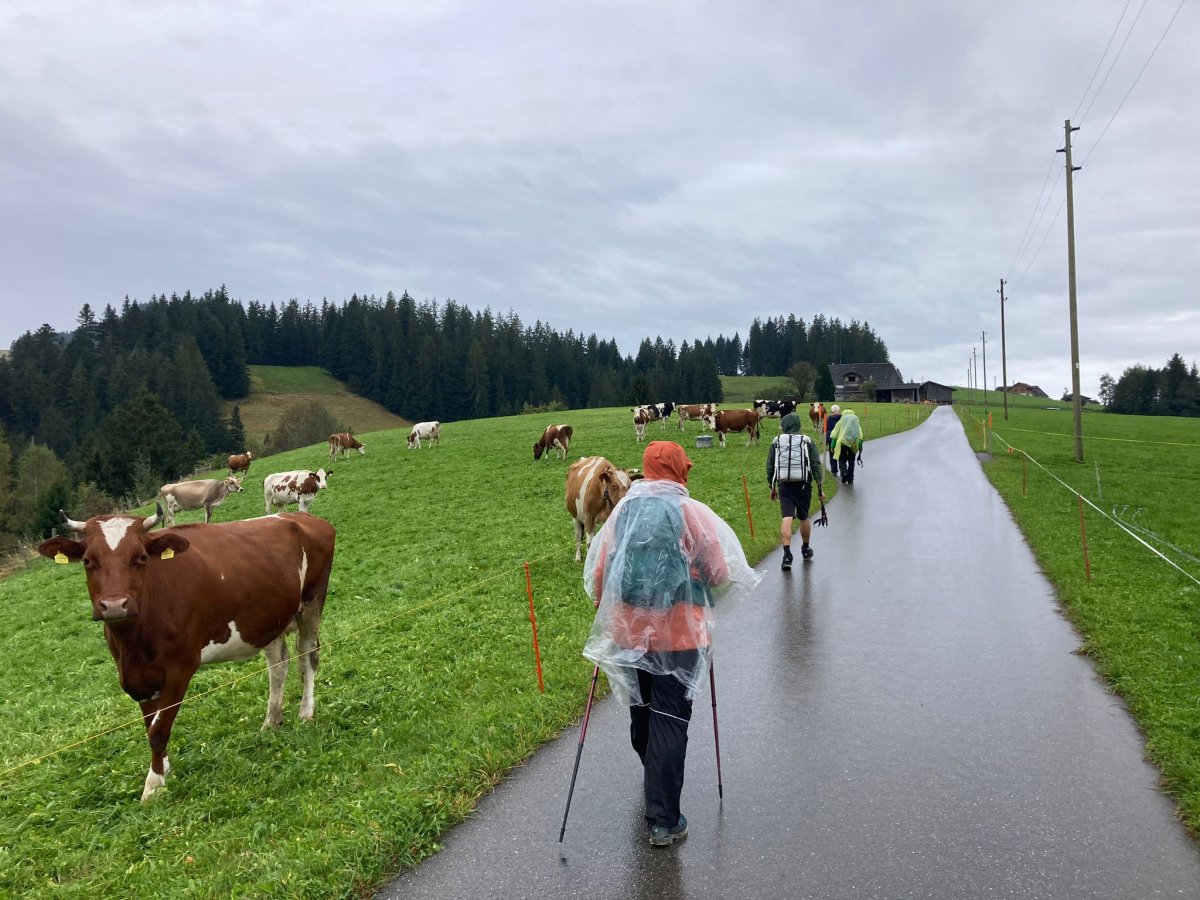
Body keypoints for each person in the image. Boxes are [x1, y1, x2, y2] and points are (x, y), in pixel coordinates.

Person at [583, 441, 760, 847]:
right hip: (680, 636)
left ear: (646, 470)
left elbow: (601, 574)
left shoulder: (622, 513)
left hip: (629, 633)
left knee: (642, 712)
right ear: (680, 470)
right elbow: (719, 573)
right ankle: (663, 820)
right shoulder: (690, 513)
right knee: (670, 718)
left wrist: (608, 609)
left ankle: (654, 777)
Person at [766, 412, 826, 569]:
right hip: (803, 485)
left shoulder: (777, 441)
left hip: (784, 485)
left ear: (784, 426)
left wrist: (772, 487)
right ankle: (805, 549)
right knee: (803, 517)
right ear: (798, 426)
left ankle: (787, 556)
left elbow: (770, 466)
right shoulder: (807, 441)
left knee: (786, 518)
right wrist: (820, 488)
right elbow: (815, 465)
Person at [830, 406, 864, 484]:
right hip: (853, 443)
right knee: (851, 461)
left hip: (842, 443)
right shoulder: (855, 420)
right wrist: (860, 446)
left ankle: (844, 472)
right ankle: (850, 478)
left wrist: (832, 445)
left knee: (842, 460)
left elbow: (835, 433)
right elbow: (860, 435)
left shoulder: (842, 419)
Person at [824, 404, 842, 474]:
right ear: (839, 411)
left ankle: (834, 471)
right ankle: (842, 470)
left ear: (831, 411)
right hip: (840, 438)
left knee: (832, 455)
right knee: (841, 454)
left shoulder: (828, 418)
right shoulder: (842, 418)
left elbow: (825, 429)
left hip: (831, 438)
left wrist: (825, 440)